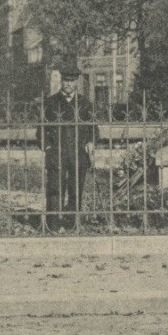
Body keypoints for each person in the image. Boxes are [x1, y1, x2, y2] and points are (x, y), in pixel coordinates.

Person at [38, 67, 97, 231]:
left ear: (77, 82)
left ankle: (71, 225)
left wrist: (91, 142)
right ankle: (53, 226)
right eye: (66, 80)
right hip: (56, 153)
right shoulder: (50, 102)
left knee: (75, 190)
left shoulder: (85, 104)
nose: (68, 84)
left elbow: (93, 128)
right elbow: (40, 129)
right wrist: (47, 146)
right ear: (61, 81)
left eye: (72, 81)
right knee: (55, 190)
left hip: (78, 154)